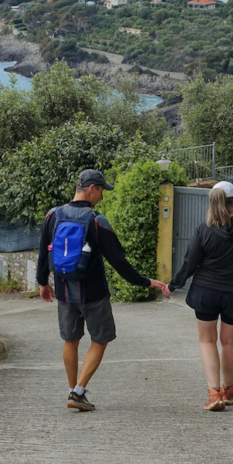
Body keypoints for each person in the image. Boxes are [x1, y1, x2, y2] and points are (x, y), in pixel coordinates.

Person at [37, 168, 170, 411]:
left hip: (65, 292)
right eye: (101, 191)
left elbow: (43, 252)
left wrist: (43, 282)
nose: (102, 197)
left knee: (70, 340)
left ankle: (71, 390)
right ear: (91, 189)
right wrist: (145, 281)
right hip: (94, 294)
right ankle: (78, 392)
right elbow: (118, 261)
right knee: (100, 340)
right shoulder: (97, 221)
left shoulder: (52, 216)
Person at [168, 180, 233, 411]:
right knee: (229, 342)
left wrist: (172, 286)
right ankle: (228, 390)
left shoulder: (203, 229)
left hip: (206, 292)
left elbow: (189, 264)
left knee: (207, 340)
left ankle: (214, 394)